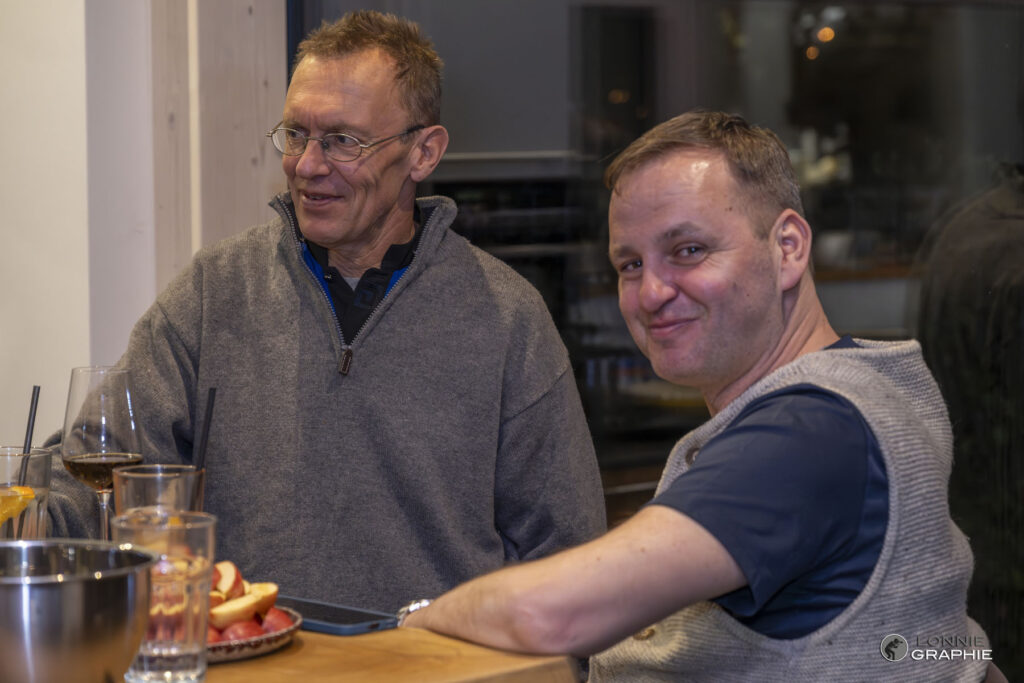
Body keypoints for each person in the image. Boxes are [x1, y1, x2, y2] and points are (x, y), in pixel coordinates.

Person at [402, 110, 997, 681]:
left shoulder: (809, 431)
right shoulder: (861, 391)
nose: (651, 293)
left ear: (789, 247)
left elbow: (551, 614)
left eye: (688, 250)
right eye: (630, 264)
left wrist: (411, 623)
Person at [46, 10, 605, 611]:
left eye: (344, 140)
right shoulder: (214, 292)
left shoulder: (508, 317)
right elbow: (92, 483)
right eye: (296, 134)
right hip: (249, 652)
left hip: (436, 659)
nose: (307, 165)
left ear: (423, 153)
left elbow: (569, 560)